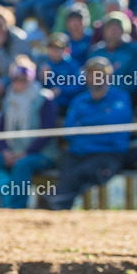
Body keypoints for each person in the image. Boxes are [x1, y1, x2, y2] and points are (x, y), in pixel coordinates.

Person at [44, 57, 132, 210]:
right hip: (78, 152)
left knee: (83, 171)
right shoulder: (79, 100)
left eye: (100, 73)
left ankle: (57, 202)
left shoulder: (120, 97)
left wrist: (84, 124)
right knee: (67, 167)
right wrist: (97, 124)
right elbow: (68, 130)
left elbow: (113, 128)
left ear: (109, 76)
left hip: (108, 154)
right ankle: (58, 204)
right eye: (91, 74)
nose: (95, 77)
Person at [0, 57, 58, 208]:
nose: (19, 83)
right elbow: (0, 132)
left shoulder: (43, 98)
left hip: (42, 154)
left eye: (23, 79)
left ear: (31, 79)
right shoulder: (8, 99)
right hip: (12, 152)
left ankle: (17, 209)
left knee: (22, 165)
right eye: (16, 79)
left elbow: (47, 132)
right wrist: (5, 151)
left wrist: (25, 153)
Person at [87, 12, 137, 102]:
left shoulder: (133, 51)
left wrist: (112, 91)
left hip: (126, 98)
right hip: (96, 97)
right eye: (110, 27)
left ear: (124, 30)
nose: (113, 30)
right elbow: (88, 76)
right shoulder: (96, 51)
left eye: (117, 27)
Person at [37, 33, 84, 115]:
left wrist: (61, 89)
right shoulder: (44, 64)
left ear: (66, 50)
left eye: (58, 49)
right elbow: (38, 86)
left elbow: (78, 85)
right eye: (52, 48)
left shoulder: (72, 65)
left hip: (67, 105)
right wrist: (42, 78)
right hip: (47, 104)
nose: (55, 52)